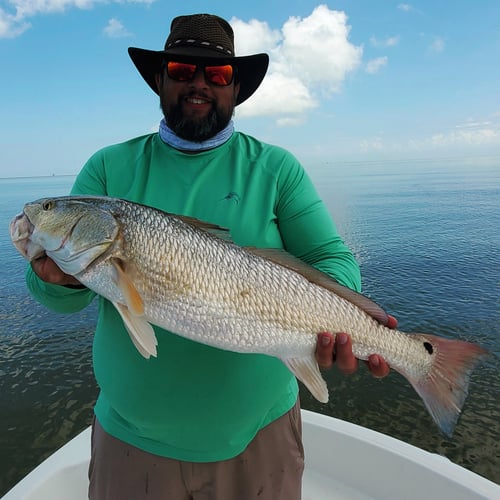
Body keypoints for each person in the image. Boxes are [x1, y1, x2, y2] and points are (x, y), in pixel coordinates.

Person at [27, 13, 392, 500]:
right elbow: (61, 301)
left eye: (216, 74)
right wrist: (57, 276)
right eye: (181, 69)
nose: (198, 84)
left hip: (261, 437)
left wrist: (335, 320)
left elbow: (331, 258)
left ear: (235, 87)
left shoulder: (275, 168)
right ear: (159, 79)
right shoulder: (108, 169)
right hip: (132, 440)